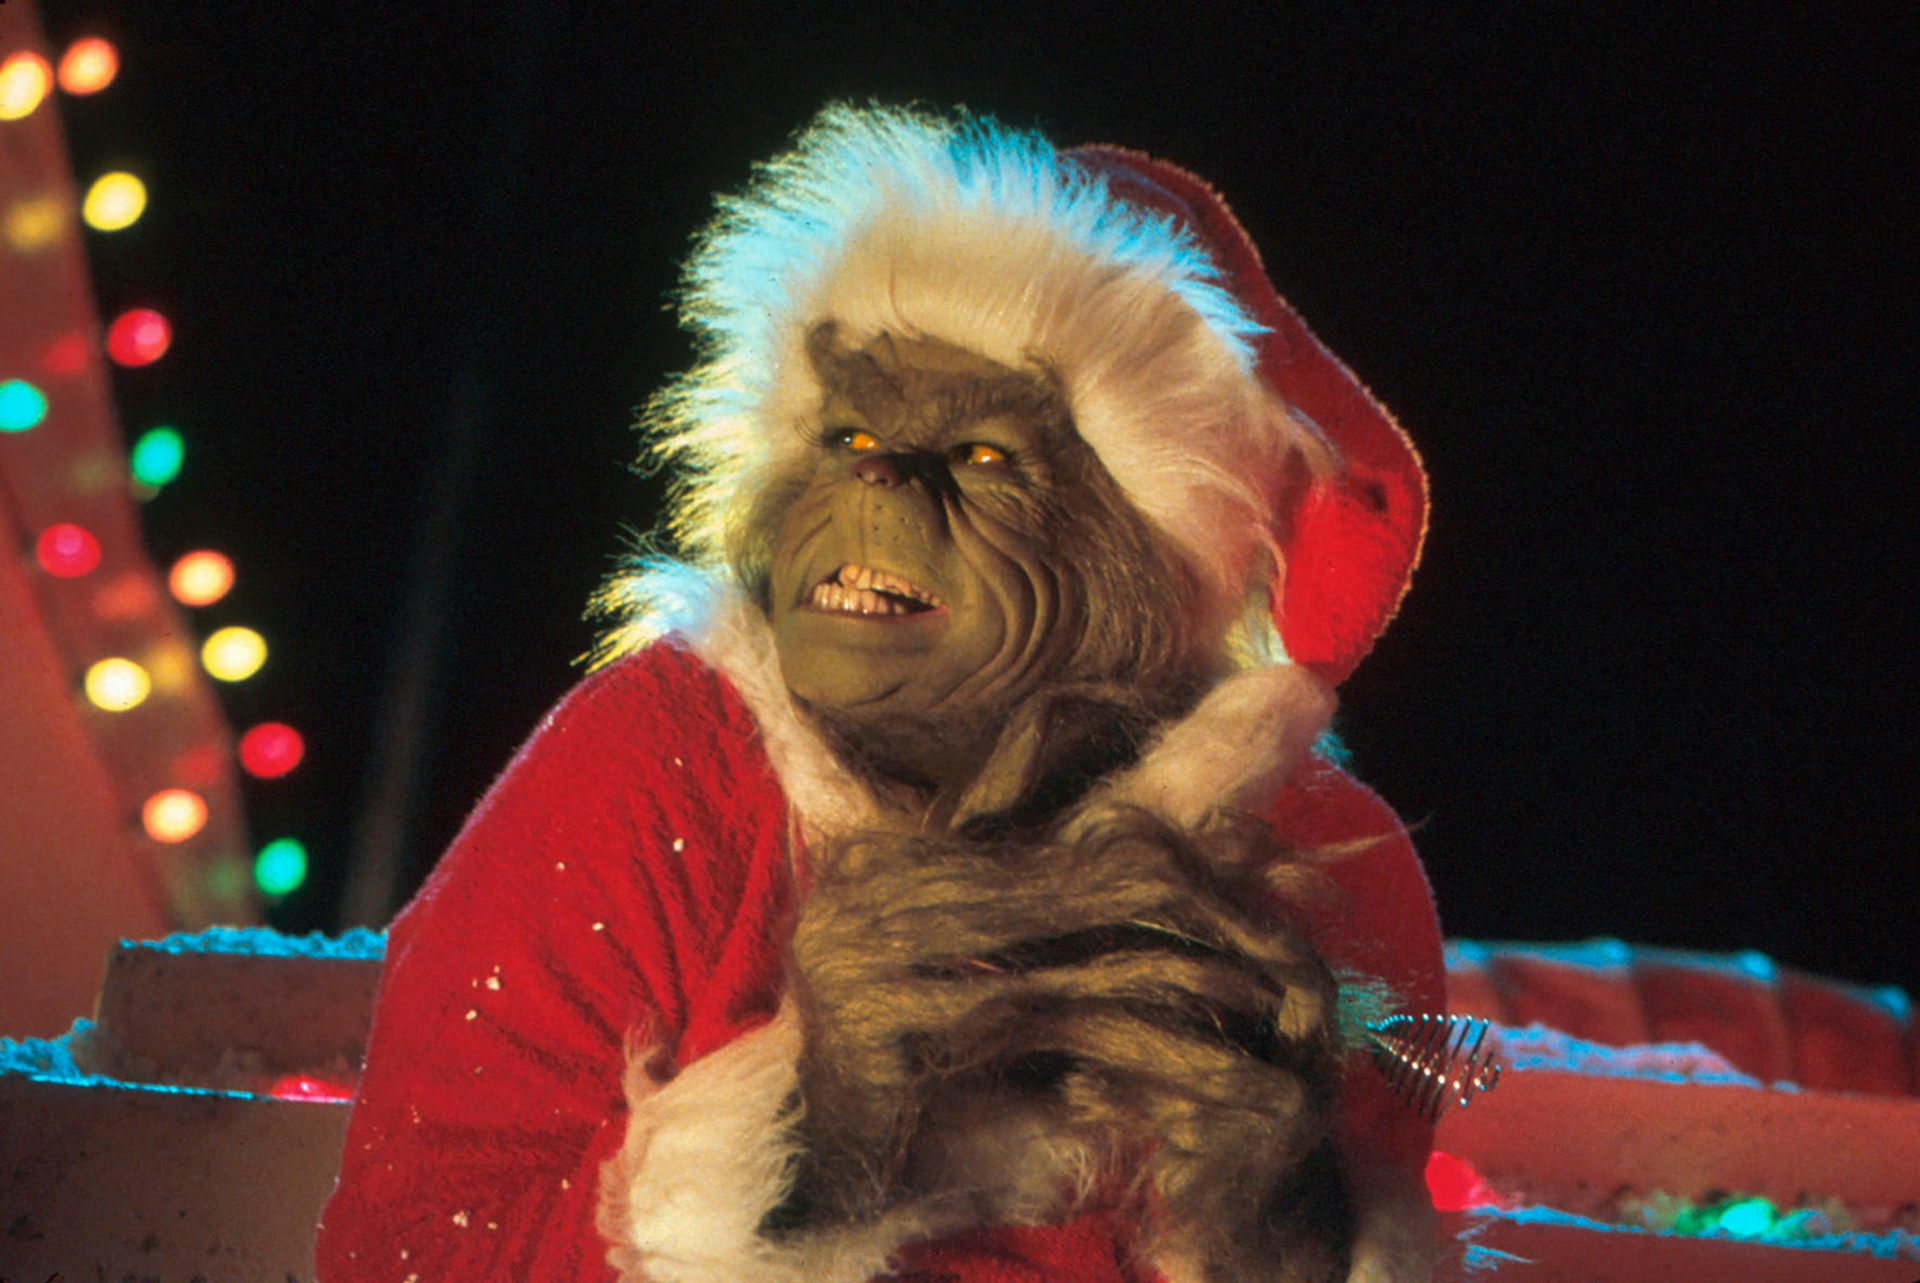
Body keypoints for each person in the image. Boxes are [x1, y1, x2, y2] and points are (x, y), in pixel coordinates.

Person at [316, 104, 1445, 1283]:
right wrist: (812, 1126)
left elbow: (1390, 1166)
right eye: (847, 433)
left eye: (986, 456)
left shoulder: (1323, 857)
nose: (878, 483)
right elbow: (400, 1248)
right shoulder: (653, 762)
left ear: (1157, 555)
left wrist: (1273, 1200)